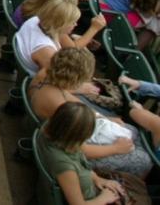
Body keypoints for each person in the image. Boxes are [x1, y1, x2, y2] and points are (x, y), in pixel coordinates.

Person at [28, 47, 159, 179]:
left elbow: (76, 102)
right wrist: (116, 148)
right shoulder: (62, 107)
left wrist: (106, 118)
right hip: (73, 153)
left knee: (132, 130)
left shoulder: (46, 77)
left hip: (73, 132)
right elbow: (78, 150)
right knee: (145, 161)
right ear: (76, 79)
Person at [36, 101, 140, 205]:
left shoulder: (50, 128)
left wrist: (98, 179)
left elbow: (80, 165)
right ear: (77, 136)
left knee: (134, 185)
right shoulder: (64, 166)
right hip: (92, 199)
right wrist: (103, 198)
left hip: (92, 185)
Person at [14, 0, 88, 76]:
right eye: (72, 22)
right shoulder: (46, 51)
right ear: (60, 24)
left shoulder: (36, 19)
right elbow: (55, 79)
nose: (76, 25)